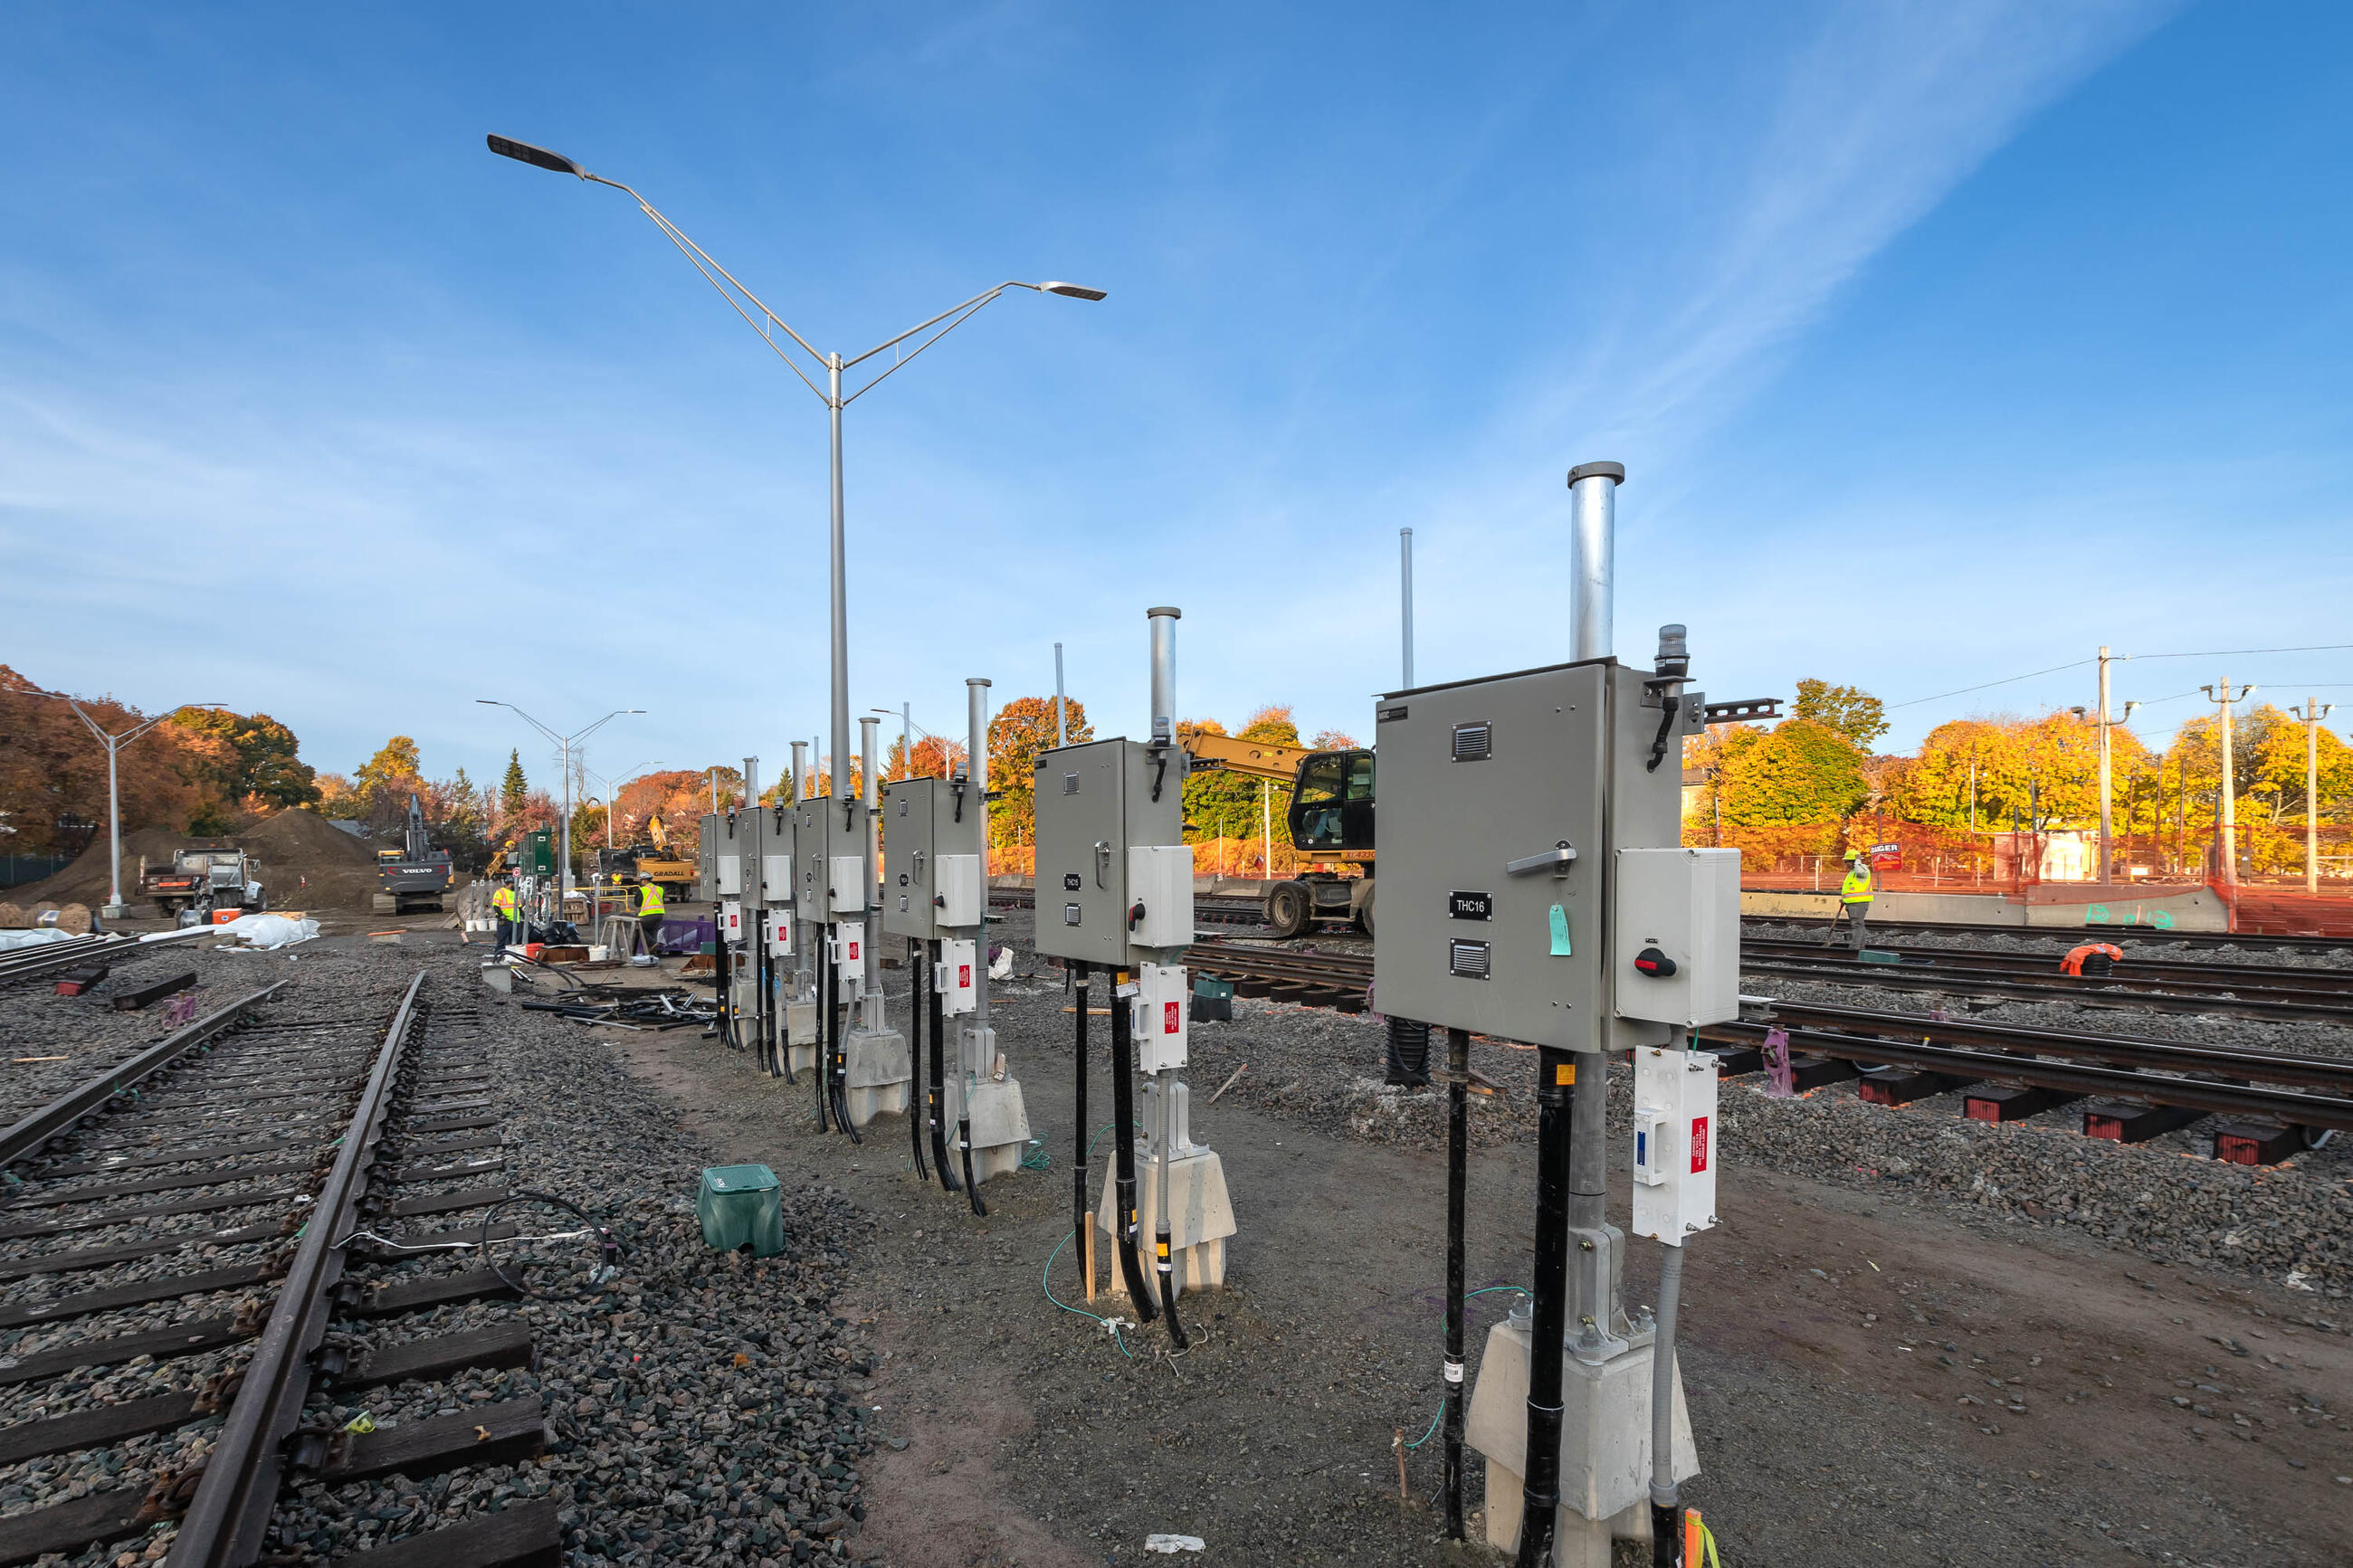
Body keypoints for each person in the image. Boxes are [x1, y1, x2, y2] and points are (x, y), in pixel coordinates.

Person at [1828, 851, 1872, 949]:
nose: (1845, 864)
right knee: (1859, 925)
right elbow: (1852, 889)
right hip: (1853, 903)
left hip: (1858, 903)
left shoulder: (1862, 869)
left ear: (1852, 861)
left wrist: (1858, 861)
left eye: (1847, 861)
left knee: (1857, 925)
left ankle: (1854, 948)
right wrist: (1845, 900)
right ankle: (1860, 947)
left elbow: (1860, 873)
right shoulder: (1852, 872)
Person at [637, 878, 666, 957]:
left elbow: (637, 903)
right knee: (653, 932)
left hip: (648, 914)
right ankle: (653, 954)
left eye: (641, 880)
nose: (641, 882)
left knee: (638, 928)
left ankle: (652, 943)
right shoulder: (660, 889)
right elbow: (662, 899)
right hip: (660, 914)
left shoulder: (643, 890)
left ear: (645, 880)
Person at [491, 879, 519, 950]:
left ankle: (508, 954)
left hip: (515, 919)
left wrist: (523, 914)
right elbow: (496, 906)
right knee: (502, 938)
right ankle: (498, 953)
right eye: (512, 884)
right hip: (505, 919)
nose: (514, 886)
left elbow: (519, 905)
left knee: (512, 939)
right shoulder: (500, 892)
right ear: (508, 884)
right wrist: (501, 915)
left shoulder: (514, 893)